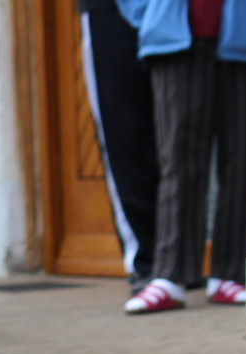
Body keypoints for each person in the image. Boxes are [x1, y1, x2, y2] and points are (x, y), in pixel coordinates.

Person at [116, 0, 246, 314]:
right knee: (178, 161)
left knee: (243, 157)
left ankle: (230, 274)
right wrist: (148, 12)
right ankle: (169, 276)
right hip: (173, 37)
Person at [79, 0, 158, 295]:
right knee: (122, 134)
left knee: (176, 132)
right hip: (109, 11)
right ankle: (145, 258)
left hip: (174, 10)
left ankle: (180, 258)